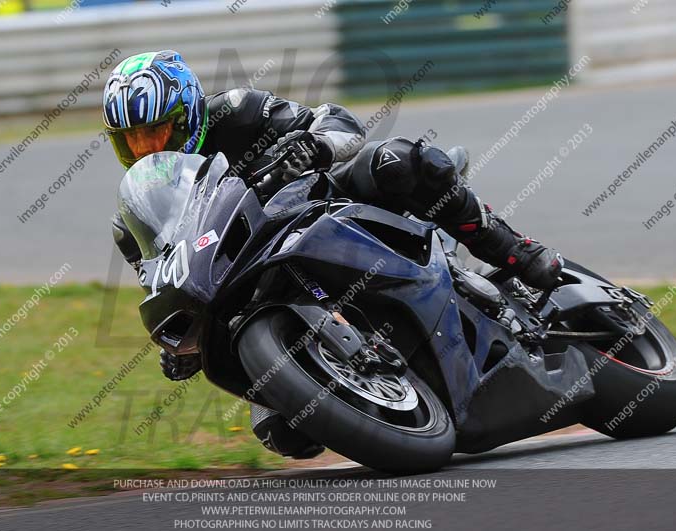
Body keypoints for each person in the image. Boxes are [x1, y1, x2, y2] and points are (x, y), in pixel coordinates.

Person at [104, 50, 563, 458]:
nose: (148, 148)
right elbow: (170, 282)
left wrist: (314, 143)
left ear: (188, 113)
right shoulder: (136, 216)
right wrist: (184, 347)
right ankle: (376, 396)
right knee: (285, 435)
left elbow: (336, 121)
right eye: (132, 141)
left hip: (321, 205)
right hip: (248, 276)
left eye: (158, 131)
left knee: (399, 161)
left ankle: (514, 250)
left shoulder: (236, 111)